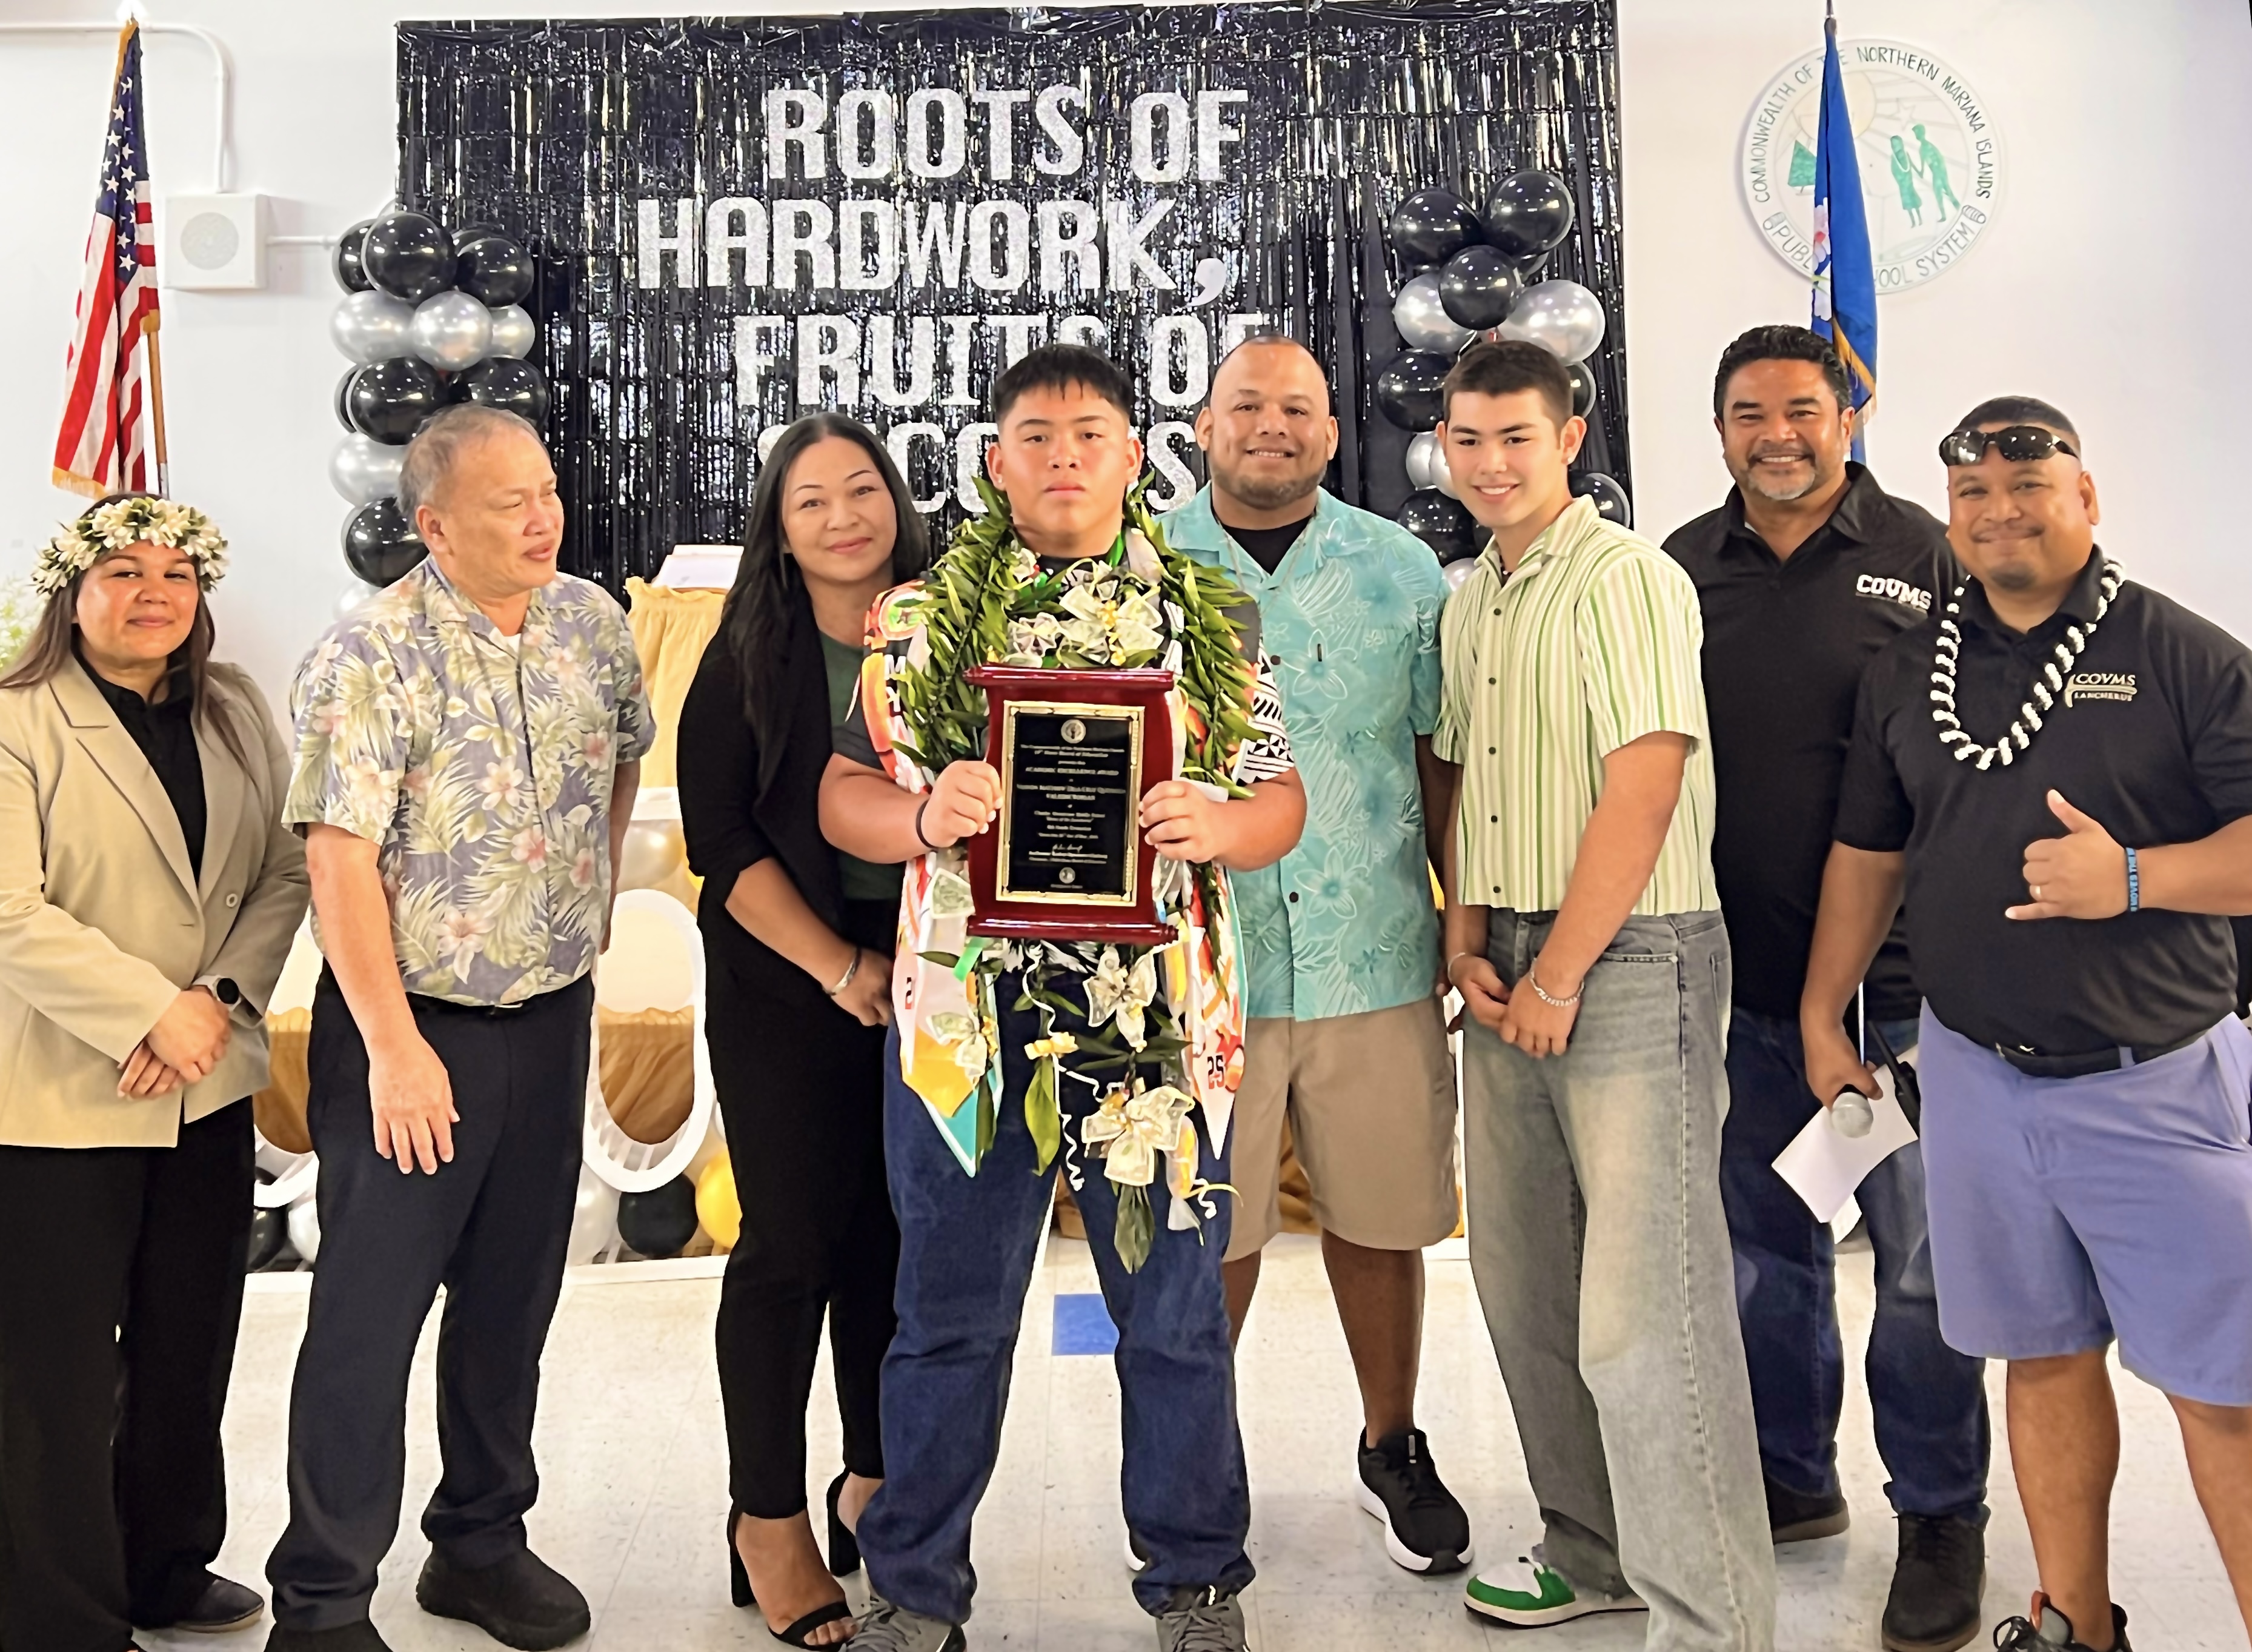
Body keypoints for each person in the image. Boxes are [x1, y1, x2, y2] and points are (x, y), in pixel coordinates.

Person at [819, 342, 1306, 1652]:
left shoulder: (1207, 611)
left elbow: (1278, 798)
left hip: (1149, 1029)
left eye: (1089, 433)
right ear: (993, 459)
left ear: (1136, 455)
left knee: (1173, 1318)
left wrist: (1218, 821)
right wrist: (922, 810)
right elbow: (839, 795)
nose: (1063, 457)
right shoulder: (918, 619)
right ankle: (914, 1589)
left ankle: (1197, 1581)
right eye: (1035, 434)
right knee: (949, 1320)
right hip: (966, 1028)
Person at [1803, 398, 2252, 1652]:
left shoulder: (2180, 653)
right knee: (2040, 1358)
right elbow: (1866, 852)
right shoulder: (1912, 663)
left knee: (2221, 1391)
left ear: (2085, 496)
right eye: (1972, 496)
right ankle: (2070, 1622)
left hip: (2152, 1082)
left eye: (2027, 486)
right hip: (1972, 1077)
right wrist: (1816, 1007)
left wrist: (2132, 879)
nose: (1998, 511)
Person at [266, 405, 654, 1652]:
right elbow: (338, 862)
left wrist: (587, 893)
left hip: (546, 1018)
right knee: (370, 1318)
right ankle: (322, 1596)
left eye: (545, 491)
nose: (540, 515)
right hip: (410, 1028)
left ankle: (479, 1541)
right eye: (506, 502)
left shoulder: (592, 623)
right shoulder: (368, 654)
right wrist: (392, 1047)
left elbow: (621, 762)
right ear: (433, 524)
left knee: (510, 1299)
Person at [1432, 339, 1775, 1648]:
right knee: (1530, 1293)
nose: (1489, 462)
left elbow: (1644, 783)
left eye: (1514, 436)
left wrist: (1560, 973)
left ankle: (1714, 1619)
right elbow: (1461, 776)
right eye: (1466, 440)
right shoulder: (1475, 596)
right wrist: (1467, 940)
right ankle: (1590, 1552)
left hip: (1630, 957)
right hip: (1508, 951)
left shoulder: (1629, 578)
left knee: (1647, 1317)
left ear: (1569, 437)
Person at [1662, 325, 1988, 1652]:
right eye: (1748, 412)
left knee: (1919, 1268)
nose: (1775, 434)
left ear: (1847, 412)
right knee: (1763, 1251)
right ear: (1719, 424)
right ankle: (1789, 1478)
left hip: (1911, 994)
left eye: (1801, 408)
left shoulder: (1933, 555)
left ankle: (1938, 1509)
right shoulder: (1677, 568)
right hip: (1739, 979)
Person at [1164, 336, 1470, 1574]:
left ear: (1334, 431)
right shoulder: (1144, 571)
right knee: (1208, 1230)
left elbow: (1439, 754)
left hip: (1373, 950)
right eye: (1247, 405)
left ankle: (1390, 1442)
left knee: (1381, 1211)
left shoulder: (1401, 573)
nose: (1271, 426)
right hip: (1201, 969)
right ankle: (1194, 1461)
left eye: (1297, 407)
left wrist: (1463, 907)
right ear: (1201, 423)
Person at [0, 494, 308, 1652]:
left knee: (189, 1348)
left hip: (205, 1081)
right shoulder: (19, 717)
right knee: (59, 1380)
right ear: (71, 592)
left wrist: (218, 1001)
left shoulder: (230, 709)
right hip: (61, 1095)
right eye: (122, 572)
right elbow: (8, 911)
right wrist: (147, 1009)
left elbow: (285, 869)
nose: (151, 595)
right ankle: (61, 1616)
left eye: (176, 576)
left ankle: (166, 1568)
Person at [677, 414, 929, 1647]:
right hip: (790, 983)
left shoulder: (949, 624)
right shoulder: (742, 657)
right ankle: (766, 1515)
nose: (844, 516)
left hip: (933, 979)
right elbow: (721, 847)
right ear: (778, 528)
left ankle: (870, 1479)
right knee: (789, 1246)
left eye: (862, 489)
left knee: (893, 1243)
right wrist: (837, 964)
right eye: (812, 499)